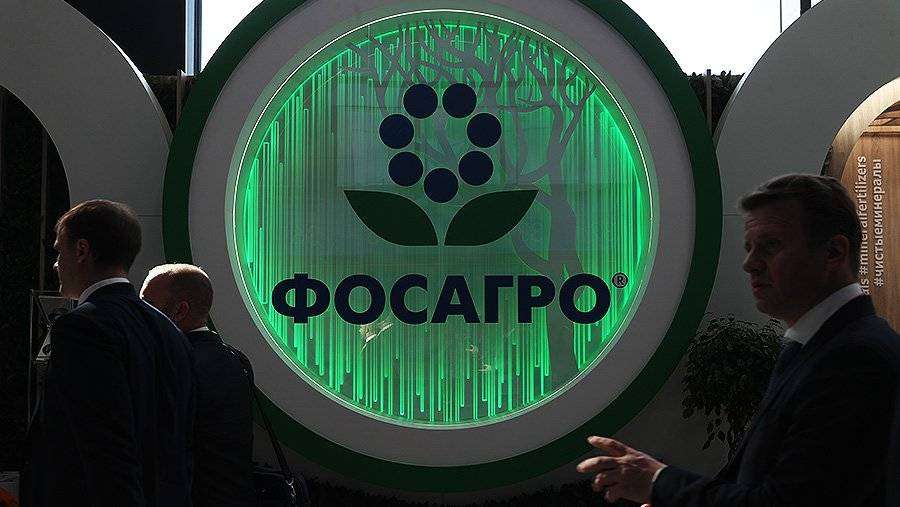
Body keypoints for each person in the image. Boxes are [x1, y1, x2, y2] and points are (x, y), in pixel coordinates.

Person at [577, 174, 900, 506]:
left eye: (770, 246)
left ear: (833, 252)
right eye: (749, 248)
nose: (749, 264)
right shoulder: (822, 348)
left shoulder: (854, 358)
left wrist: (658, 482)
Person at [25, 200, 194, 506]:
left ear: (81, 251)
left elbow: (104, 446)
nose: (56, 264)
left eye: (59, 251)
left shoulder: (80, 328)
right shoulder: (170, 331)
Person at [140, 264, 255, 507]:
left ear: (180, 310)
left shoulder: (173, 365)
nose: (140, 315)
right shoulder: (236, 360)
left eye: (147, 305)